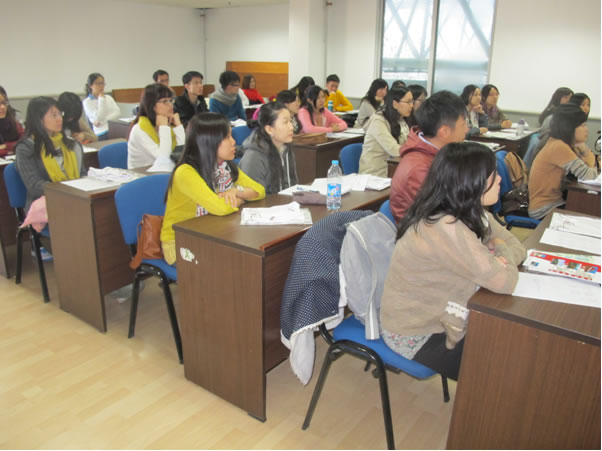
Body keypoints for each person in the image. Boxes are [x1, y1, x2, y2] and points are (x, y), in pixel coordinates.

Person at [380, 142, 525, 381]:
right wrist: (498, 248)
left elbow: (518, 248)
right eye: (493, 174)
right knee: (504, 369)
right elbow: (506, 282)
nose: (500, 179)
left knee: (512, 343)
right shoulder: (446, 226)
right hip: (416, 333)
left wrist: (500, 253)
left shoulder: (471, 211)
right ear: (471, 182)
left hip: (441, 315)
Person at [161, 113, 265, 265]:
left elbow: (260, 190)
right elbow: (221, 208)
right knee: (234, 264)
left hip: (214, 232)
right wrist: (243, 198)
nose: (234, 142)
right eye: (227, 137)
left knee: (247, 259)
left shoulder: (224, 166)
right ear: (208, 141)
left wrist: (236, 192)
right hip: (180, 242)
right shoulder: (185, 172)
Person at [389, 90, 468, 221]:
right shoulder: (419, 169)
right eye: (464, 124)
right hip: (422, 230)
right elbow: (440, 216)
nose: (467, 129)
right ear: (444, 132)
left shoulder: (438, 154)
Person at [15, 96, 86, 212]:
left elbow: (82, 174)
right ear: (39, 119)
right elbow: (34, 185)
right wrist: (68, 190)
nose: (59, 119)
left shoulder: (73, 145)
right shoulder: (26, 148)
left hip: (76, 199)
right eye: (53, 115)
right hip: (46, 205)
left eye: (60, 114)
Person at [528, 103, 598, 219]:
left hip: (554, 203)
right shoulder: (559, 146)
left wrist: (584, 152)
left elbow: (582, 171)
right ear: (569, 127)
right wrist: (590, 159)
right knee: (591, 210)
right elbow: (589, 177)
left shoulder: (561, 144)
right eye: (582, 125)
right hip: (544, 209)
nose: (587, 130)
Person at [239, 102, 298, 194]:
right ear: (269, 129)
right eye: (285, 122)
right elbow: (252, 197)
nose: (291, 127)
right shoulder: (253, 157)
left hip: (287, 201)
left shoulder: (285, 149)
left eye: (291, 121)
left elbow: (292, 185)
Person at [127, 83, 185, 169]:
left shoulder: (169, 124)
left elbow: (182, 154)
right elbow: (164, 160)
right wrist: (164, 128)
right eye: (164, 101)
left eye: (171, 100)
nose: (170, 104)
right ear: (152, 105)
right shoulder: (139, 129)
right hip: (143, 175)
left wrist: (178, 126)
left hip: (163, 172)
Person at [358, 87, 412, 177]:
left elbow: (408, 143)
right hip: (375, 174)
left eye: (412, 101)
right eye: (408, 102)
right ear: (395, 104)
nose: (411, 105)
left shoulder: (401, 121)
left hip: (392, 169)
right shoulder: (379, 120)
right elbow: (394, 150)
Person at [82, 73, 121, 141]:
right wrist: (101, 99)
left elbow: (118, 113)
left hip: (114, 128)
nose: (101, 86)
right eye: (98, 83)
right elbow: (99, 117)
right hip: (101, 133)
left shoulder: (108, 98)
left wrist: (101, 122)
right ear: (91, 85)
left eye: (102, 83)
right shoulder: (87, 102)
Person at [0, 86, 24, 156]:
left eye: (4, 102)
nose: (2, 107)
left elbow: (25, 143)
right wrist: (8, 151)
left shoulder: (13, 121)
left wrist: (6, 146)